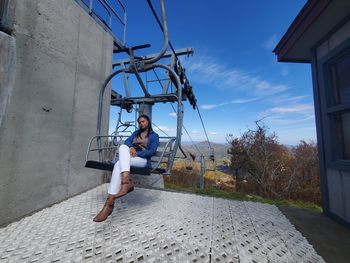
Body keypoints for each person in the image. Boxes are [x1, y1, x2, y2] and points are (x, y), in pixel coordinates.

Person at [93, 114, 159, 222]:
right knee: (122, 150)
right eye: (139, 122)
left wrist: (137, 153)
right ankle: (116, 194)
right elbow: (127, 142)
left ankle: (109, 204)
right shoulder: (135, 133)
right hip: (130, 158)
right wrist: (131, 147)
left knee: (118, 163)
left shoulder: (154, 136)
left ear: (148, 122)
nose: (141, 124)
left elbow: (152, 151)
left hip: (142, 160)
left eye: (143, 121)